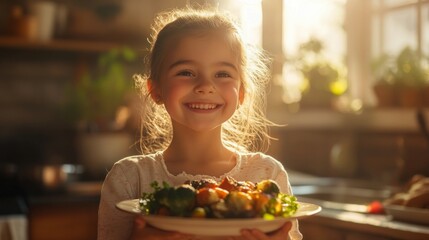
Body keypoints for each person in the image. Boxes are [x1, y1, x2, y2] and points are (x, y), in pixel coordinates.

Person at [98, 7, 303, 240]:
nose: (205, 85)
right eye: (186, 72)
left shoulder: (268, 173)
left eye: (223, 74)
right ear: (155, 90)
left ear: (242, 92)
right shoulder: (129, 178)